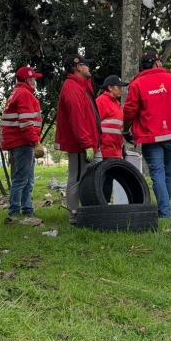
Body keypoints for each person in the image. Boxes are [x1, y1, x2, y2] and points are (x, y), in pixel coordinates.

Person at [122, 50, 171, 219]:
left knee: (157, 175)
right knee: (167, 174)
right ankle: (165, 211)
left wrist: (125, 130)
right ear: (158, 63)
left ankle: (165, 213)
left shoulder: (137, 84)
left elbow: (130, 112)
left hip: (150, 138)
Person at [55, 54, 103, 224]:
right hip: (80, 145)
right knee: (76, 179)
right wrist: (86, 144)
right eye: (86, 65)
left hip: (90, 143)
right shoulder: (73, 88)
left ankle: (91, 212)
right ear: (78, 67)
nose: (89, 68)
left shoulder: (82, 86)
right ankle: (73, 216)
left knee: (91, 177)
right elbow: (77, 120)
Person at [1, 66, 44, 219]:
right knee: (22, 178)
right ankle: (15, 211)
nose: (35, 81)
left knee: (27, 179)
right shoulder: (25, 95)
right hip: (23, 142)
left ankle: (27, 209)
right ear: (28, 79)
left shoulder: (16, 93)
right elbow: (26, 123)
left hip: (19, 141)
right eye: (34, 78)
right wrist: (35, 142)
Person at [96, 74, 129, 202]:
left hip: (115, 149)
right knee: (103, 180)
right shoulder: (101, 101)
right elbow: (95, 125)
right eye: (118, 87)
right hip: (104, 149)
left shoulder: (116, 103)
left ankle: (106, 205)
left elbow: (117, 127)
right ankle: (101, 206)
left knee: (109, 180)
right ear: (110, 87)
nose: (121, 89)